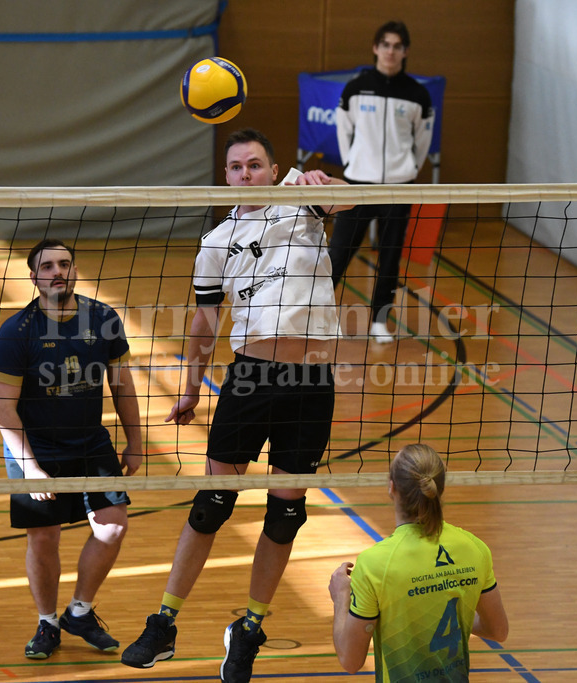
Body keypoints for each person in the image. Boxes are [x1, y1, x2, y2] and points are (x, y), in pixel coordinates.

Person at [120, 128, 350, 682]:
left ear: (275, 170)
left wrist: (328, 181)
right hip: (249, 378)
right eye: (237, 168)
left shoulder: (301, 199)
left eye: (255, 165)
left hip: (311, 381)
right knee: (212, 504)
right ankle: (164, 622)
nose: (247, 174)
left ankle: (248, 628)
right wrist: (192, 385)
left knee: (286, 512)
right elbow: (203, 322)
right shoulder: (217, 241)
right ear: (226, 177)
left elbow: (349, 197)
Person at [0, 238, 143, 659]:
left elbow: (122, 385)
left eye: (65, 264)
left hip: (90, 441)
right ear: (34, 277)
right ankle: (47, 622)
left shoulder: (104, 318)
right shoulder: (17, 332)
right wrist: (31, 468)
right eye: (48, 266)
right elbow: (4, 408)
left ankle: (79, 610)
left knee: (112, 527)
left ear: (75, 270)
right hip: (36, 446)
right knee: (44, 539)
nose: (58, 271)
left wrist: (136, 441)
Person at [329, 444, 508, 681]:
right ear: (439, 488)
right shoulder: (475, 548)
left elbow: (350, 661)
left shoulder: (374, 564)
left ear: (392, 487)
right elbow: (498, 630)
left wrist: (341, 596)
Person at [331, 20, 435, 343]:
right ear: (376, 48)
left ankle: (379, 321)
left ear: (405, 52)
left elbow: (423, 139)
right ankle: (319, 317)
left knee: (390, 256)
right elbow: (343, 129)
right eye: (385, 44)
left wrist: (409, 168)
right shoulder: (355, 88)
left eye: (397, 45)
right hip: (357, 186)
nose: (391, 51)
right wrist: (351, 164)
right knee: (337, 255)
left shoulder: (418, 95)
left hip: (398, 188)